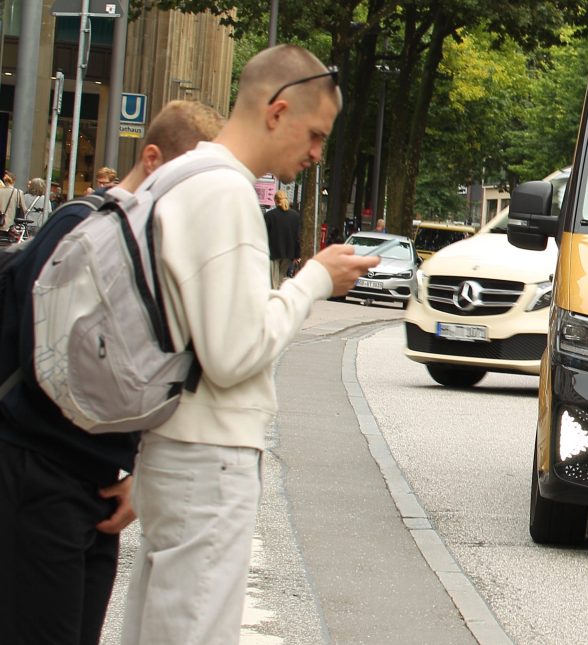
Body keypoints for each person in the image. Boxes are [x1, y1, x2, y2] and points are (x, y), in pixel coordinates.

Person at [120, 45, 378, 645]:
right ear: (277, 110)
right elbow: (233, 354)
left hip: (172, 441)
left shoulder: (179, 178)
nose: (316, 154)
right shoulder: (226, 193)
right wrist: (312, 280)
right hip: (208, 454)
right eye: (314, 134)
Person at [0, 100, 225, 645]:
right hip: (39, 471)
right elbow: (47, 360)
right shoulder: (82, 226)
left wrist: (133, 474)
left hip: (89, 484)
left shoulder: (147, 244)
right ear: (151, 160)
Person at [264, 190, 302, 289]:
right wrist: (297, 255)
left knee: (273, 279)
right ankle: (278, 296)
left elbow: (263, 235)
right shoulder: (295, 216)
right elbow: (297, 237)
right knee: (281, 277)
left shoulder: (269, 216)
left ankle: (273, 298)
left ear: (275, 201)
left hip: (273, 252)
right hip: (288, 253)